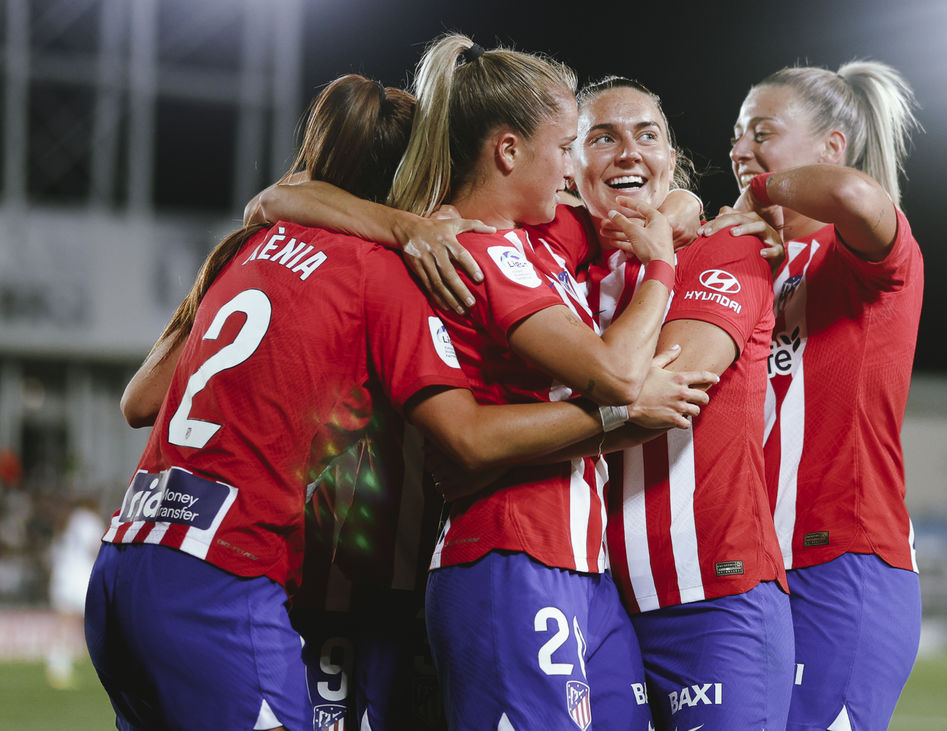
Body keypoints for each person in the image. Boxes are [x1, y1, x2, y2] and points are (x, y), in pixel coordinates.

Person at [92, 72, 704, 731]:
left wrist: (678, 204)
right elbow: (465, 442)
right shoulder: (388, 272)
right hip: (236, 569)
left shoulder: (246, 246)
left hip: (129, 553)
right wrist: (619, 417)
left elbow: (141, 397)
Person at [557, 76, 793, 729]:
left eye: (647, 136)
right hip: (602, 603)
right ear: (567, 168)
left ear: (671, 162)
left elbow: (666, 388)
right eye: (602, 137)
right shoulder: (564, 271)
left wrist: (495, 435)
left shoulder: (728, 247)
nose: (628, 152)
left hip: (715, 597)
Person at [703, 58, 924, 730]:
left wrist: (759, 188)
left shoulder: (859, 259)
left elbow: (857, 197)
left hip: (842, 561)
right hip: (752, 569)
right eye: (738, 136)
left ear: (831, 147)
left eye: (762, 132)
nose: (741, 151)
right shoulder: (740, 260)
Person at [45, 495, 105, 689]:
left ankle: (58, 661)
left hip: (62, 574)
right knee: (92, 620)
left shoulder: (70, 519)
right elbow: (96, 549)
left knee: (65, 621)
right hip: (80, 576)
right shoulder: (90, 520)